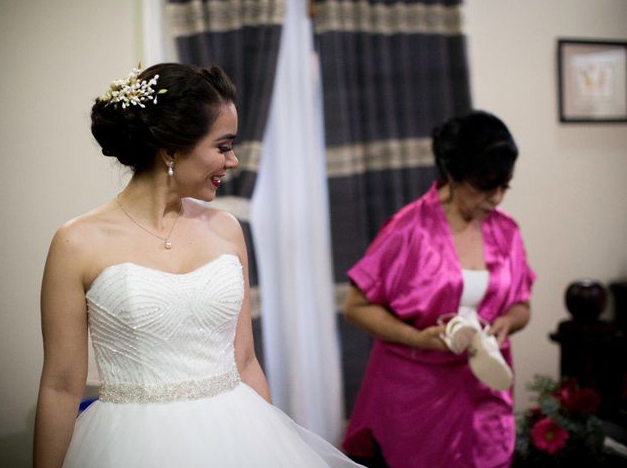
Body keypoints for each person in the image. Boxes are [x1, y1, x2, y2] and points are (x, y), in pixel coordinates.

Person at [33, 63, 363, 468]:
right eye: (223, 146)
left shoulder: (226, 229)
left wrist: (275, 445)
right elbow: (61, 386)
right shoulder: (77, 241)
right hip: (131, 445)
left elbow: (245, 361)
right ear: (171, 151)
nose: (235, 160)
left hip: (239, 433)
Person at [341, 111, 535, 468]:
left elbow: (522, 305)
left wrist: (509, 321)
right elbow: (356, 306)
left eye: (504, 186)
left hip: (484, 392)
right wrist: (417, 339)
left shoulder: (506, 231)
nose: (496, 199)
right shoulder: (408, 229)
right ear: (453, 175)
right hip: (415, 398)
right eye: (485, 187)